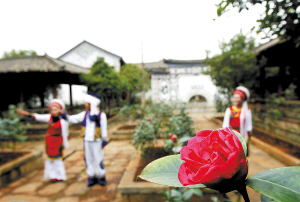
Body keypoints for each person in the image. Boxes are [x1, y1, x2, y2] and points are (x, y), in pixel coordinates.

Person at [17, 99, 69, 182]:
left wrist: (65, 142)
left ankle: (60, 176)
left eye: (56, 109)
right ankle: (52, 176)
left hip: (58, 140)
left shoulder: (64, 120)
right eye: (52, 109)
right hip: (49, 140)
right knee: (50, 159)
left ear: (60, 110)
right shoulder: (49, 117)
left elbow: (66, 131)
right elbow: (36, 116)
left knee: (58, 159)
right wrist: (24, 113)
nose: (54, 111)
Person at [67, 93, 108, 187]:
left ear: (92, 104)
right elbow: (73, 119)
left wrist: (104, 140)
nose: (85, 105)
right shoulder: (85, 114)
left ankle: (101, 176)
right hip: (87, 141)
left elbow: (104, 129)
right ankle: (91, 176)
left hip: (97, 141)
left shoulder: (101, 115)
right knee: (88, 158)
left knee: (98, 158)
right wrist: (65, 116)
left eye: (87, 103)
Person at [222, 86, 253, 156]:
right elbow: (225, 124)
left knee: (241, 155)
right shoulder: (229, 110)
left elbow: (249, 125)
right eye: (234, 97)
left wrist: (248, 136)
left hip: (243, 135)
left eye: (237, 98)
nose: (235, 99)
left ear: (242, 99)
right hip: (232, 135)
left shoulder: (247, 111)